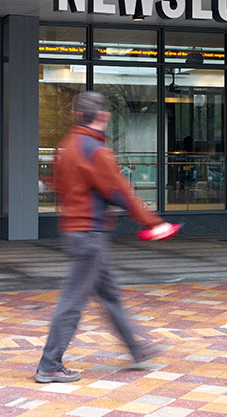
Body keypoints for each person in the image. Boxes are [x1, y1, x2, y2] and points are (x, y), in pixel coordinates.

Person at [34, 91, 175, 384]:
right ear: (103, 116)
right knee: (72, 301)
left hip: (75, 231)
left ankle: (137, 349)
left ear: (76, 115)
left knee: (109, 294)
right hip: (90, 235)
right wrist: (155, 223)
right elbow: (121, 192)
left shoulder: (67, 146)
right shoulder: (96, 151)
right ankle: (49, 365)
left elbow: (58, 186)